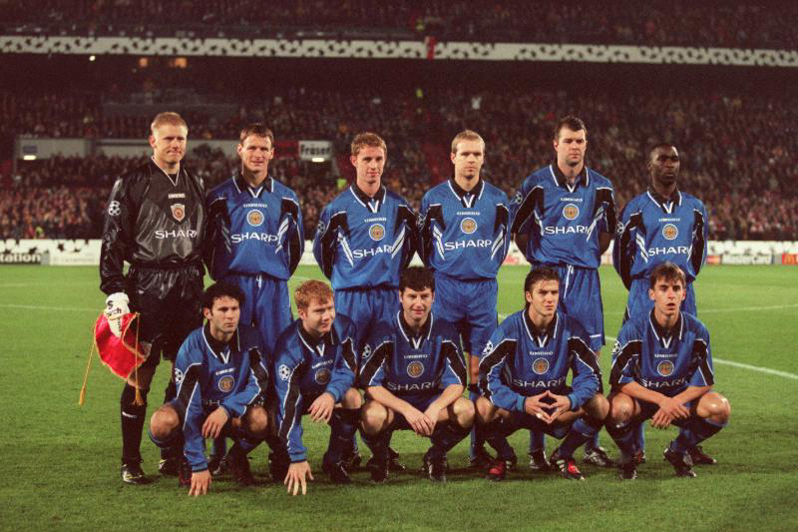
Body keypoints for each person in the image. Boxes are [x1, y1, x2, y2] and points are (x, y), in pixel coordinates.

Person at [100, 112, 206, 484]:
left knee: (184, 371)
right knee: (140, 373)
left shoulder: (196, 181)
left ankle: (171, 453)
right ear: (153, 141)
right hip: (147, 286)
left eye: (180, 139)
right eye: (168, 139)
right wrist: (115, 289)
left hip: (189, 286)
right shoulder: (131, 182)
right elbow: (112, 238)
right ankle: (130, 461)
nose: (175, 145)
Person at [510, 115, 616, 469]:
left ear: (586, 144)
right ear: (556, 144)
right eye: (569, 140)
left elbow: (607, 233)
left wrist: (584, 256)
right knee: (539, 364)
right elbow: (520, 231)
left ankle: (588, 445)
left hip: (585, 281)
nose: (575, 146)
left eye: (580, 141)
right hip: (548, 277)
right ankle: (536, 449)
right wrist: (541, 262)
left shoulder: (602, 187)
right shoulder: (536, 184)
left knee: (590, 363)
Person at [313, 132, 416, 469]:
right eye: (367, 159)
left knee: (383, 374)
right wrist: (349, 278)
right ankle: (347, 447)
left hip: (387, 298)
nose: (373, 165)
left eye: (378, 159)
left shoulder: (400, 207)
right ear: (354, 161)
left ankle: (381, 449)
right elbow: (323, 255)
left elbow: (408, 250)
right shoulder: (336, 209)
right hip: (350, 300)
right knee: (347, 373)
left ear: (385, 161)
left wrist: (387, 275)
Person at [613, 143, 713, 466]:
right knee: (639, 366)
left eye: (674, 159)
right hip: (644, 290)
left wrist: (683, 283)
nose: (669, 164)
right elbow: (621, 256)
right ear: (650, 165)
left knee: (686, 362)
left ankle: (687, 443)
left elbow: (699, 252)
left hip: (683, 292)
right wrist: (641, 286)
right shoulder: (635, 208)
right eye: (662, 159)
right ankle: (635, 445)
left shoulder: (695, 208)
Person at [417, 130, 511, 470]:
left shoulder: (498, 200)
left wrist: (481, 268)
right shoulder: (434, 199)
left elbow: (502, 243)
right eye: (465, 153)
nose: (471, 159)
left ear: (483, 158)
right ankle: (439, 448)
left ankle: (477, 448)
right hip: (446, 289)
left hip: (483, 291)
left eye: (477, 154)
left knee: (481, 371)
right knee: (443, 370)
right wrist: (446, 270)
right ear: (453, 157)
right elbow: (424, 245)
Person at [476, 266, 608, 481]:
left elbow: (591, 375)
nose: (549, 299)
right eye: (543, 293)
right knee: (482, 407)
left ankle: (563, 455)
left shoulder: (572, 329)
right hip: (517, 408)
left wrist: (570, 400)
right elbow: (486, 377)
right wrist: (520, 402)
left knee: (600, 405)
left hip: (555, 407)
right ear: (529, 296)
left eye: (554, 292)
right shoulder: (509, 329)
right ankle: (505, 456)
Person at [605, 262, 730, 479]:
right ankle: (630, 455)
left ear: (684, 294)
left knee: (719, 408)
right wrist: (662, 401)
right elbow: (620, 380)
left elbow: (705, 381)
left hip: (679, 399)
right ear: (652, 294)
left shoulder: (697, 330)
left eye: (676, 288)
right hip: (643, 399)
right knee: (617, 409)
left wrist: (674, 401)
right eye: (663, 288)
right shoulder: (633, 329)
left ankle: (677, 450)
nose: (670, 295)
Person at [148, 282, 270, 495]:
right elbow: (189, 406)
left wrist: (226, 409)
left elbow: (259, 382)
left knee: (260, 419)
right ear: (208, 313)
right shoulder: (191, 347)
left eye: (234, 309)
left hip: (230, 412)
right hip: (197, 410)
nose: (230, 316)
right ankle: (184, 457)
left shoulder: (250, 338)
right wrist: (198, 463)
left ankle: (236, 457)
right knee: (161, 423)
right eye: (223, 309)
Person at [359, 267, 474, 483]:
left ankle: (436, 456)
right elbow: (371, 385)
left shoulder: (446, 330)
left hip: (430, 405)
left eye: (424, 296)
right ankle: (381, 457)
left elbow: (458, 383)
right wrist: (407, 409)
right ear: (400, 296)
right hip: (394, 407)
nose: (418, 303)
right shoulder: (383, 330)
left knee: (466, 410)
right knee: (371, 416)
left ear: (433, 297)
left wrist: (435, 408)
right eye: (412, 296)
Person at [205, 123, 304, 355]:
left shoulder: (287, 199)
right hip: (232, 285)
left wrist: (276, 271)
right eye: (252, 148)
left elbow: (296, 246)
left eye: (263, 149)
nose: (257, 154)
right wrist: (222, 274)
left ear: (272, 153)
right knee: (230, 352)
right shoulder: (219, 197)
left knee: (278, 352)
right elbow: (207, 244)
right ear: (240, 149)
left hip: (273, 287)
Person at [271, 280, 362, 495]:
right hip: (294, 397)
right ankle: (281, 455)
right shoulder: (288, 347)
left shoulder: (344, 327)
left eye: (330, 308)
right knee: (268, 416)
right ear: (302, 314)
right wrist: (297, 457)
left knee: (353, 397)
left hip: (325, 392)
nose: (327, 316)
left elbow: (348, 369)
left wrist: (331, 394)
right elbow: (288, 403)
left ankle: (334, 460)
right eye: (319, 311)